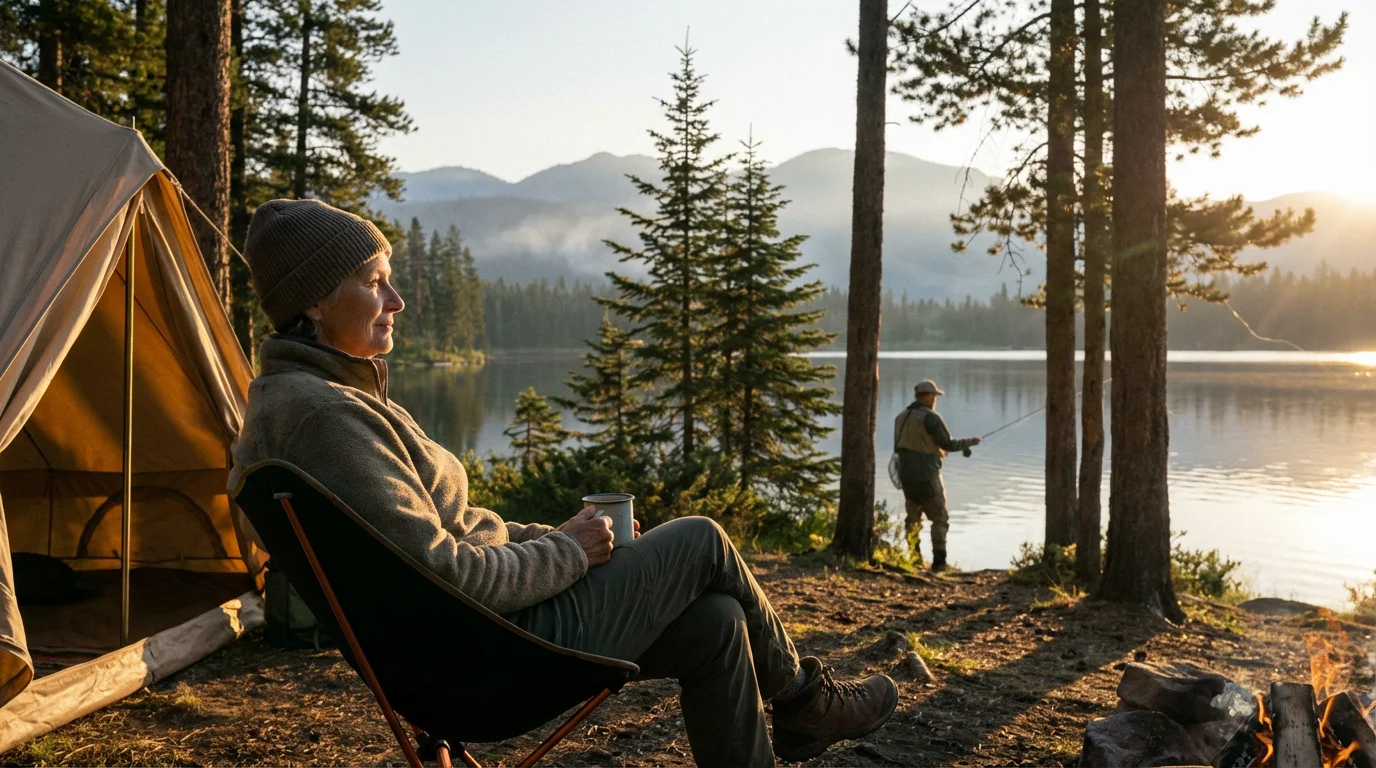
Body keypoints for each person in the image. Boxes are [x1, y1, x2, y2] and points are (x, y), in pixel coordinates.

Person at [227, 199, 898, 767]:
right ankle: (808, 704)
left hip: (468, 646)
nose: (397, 301)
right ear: (313, 300)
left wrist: (556, 537)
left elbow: (440, 545)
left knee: (715, 622)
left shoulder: (307, 401)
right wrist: (569, 553)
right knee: (700, 541)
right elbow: (446, 573)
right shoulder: (326, 418)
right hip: (485, 663)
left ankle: (795, 716)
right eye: (375, 282)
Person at [893, 379, 981, 572]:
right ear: (928, 396)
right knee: (940, 518)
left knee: (913, 518)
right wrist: (970, 442)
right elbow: (948, 443)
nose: (935, 400)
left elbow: (902, 447)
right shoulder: (931, 417)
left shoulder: (901, 417)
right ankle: (939, 563)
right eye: (934, 396)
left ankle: (913, 558)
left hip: (906, 476)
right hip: (928, 476)